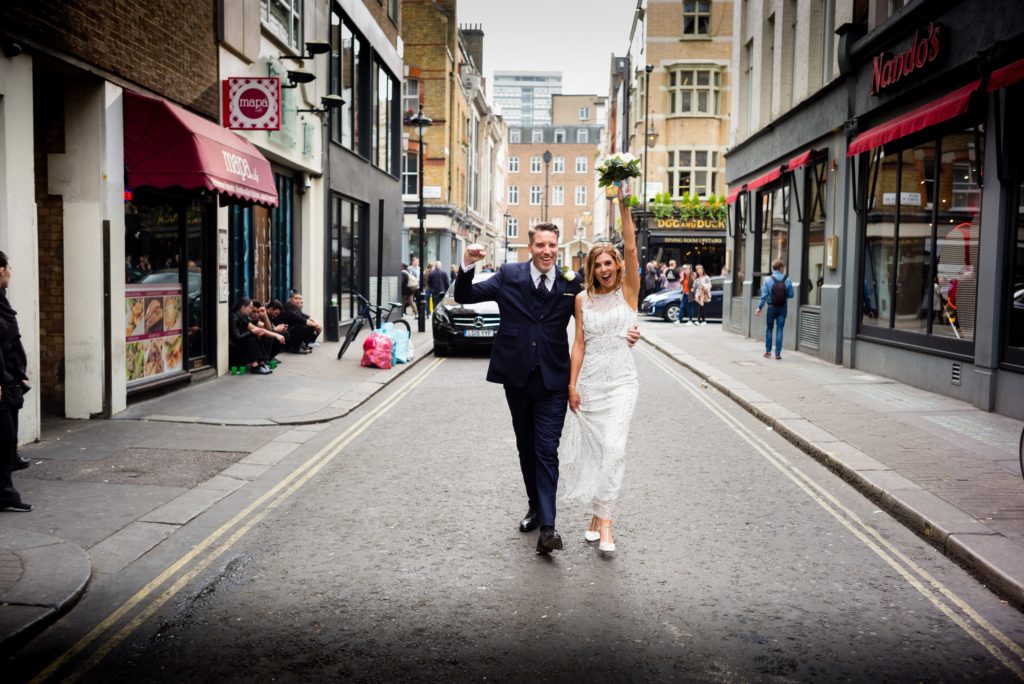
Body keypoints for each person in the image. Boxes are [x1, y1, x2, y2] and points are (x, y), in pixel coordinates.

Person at [454, 222, 640, 554]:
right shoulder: (509, 275)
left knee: (545, 451)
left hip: (554, 381)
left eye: (552, 245)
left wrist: (628, 330)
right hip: (516, 376)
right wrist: (467, 263)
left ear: (557, 248)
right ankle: (535, 507)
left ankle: (549, 529)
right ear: (531, 248)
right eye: (541, 245)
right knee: (526, 447)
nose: (547, 251)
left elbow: (604, 304)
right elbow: (466, 295)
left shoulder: (571, 286)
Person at [559, 183, 641, 554]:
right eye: (599, 264)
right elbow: (579, 344)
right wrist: (571, 385)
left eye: (610, 262)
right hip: (590, 384)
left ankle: (606, 522)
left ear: (618, 266)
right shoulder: (582, 299)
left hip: (622, 382)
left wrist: (624, 205)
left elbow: (632, 246)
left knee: (614, 447)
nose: (605, 268)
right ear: (591, 268)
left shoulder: (629, 292)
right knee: (596, 454)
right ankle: (596, 516)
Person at [0, 252, 32, 512]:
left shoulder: (2, 300)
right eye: (9, 267)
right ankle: (5, 493)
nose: (11, 272)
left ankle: (5, 492)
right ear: (0, 270)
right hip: (1, 380)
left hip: (9, 377)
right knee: (4, 436)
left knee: (7, 437)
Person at [755, 258, 795, 359]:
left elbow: (763, 296)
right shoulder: (787, 279)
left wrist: (759, 307)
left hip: (771, 307)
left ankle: (768, 352)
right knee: (780, 329)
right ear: (781, 268)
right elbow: (791, 295)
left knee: (769, 329)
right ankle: (777, 354)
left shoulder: (768, 280)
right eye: (783, 267)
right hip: (783, 308)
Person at [229, 298, 273, 374]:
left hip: (240, 346)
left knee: (256, 336)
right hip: (234, 349)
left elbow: (264, 329)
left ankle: (261, 363)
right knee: (251, 338)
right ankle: (255, 366)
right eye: (250, 308)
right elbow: (236, 338)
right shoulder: (234, 317)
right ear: (243, 307)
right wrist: (251, 332)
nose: (251, 310)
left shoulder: (244, 317)